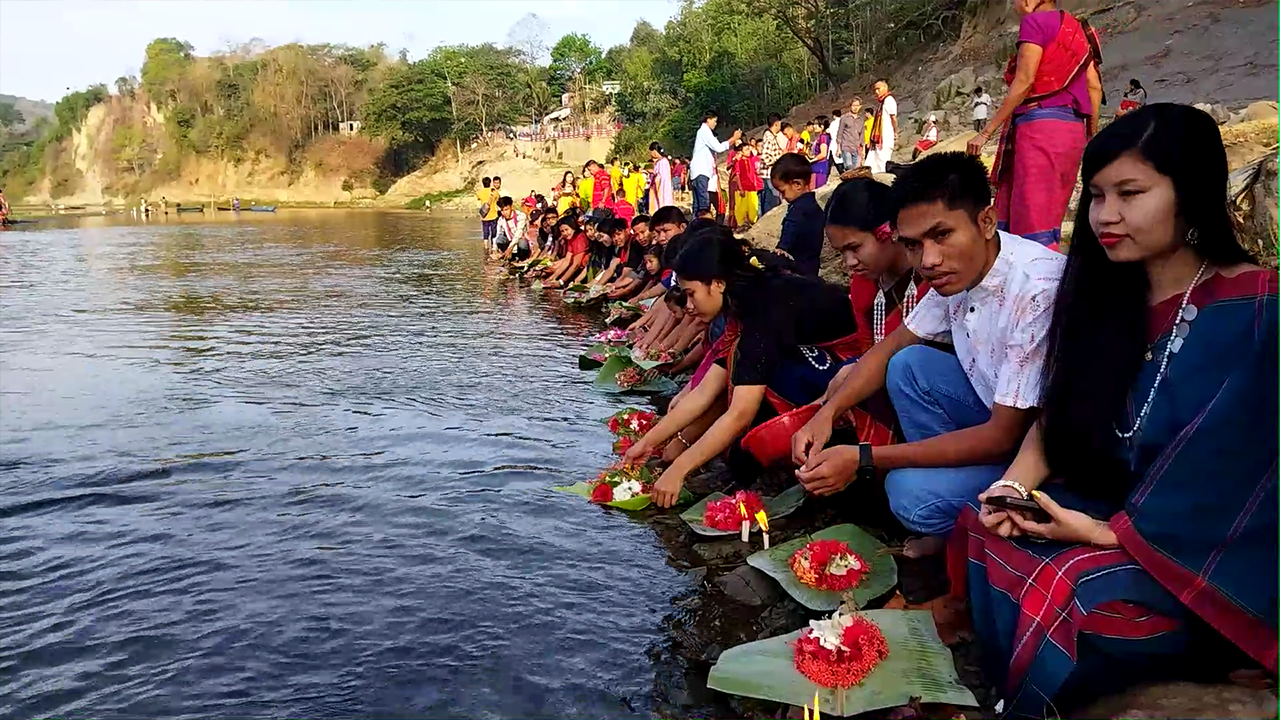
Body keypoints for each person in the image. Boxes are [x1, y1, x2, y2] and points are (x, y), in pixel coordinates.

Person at [954, 104, 1277, 718]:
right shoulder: (1107, 295)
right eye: (1096, 195)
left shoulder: (1255, 309)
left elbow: (1235, 488)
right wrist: (1014, 485)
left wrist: (1103, 535)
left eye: (1130, 193)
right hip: (1122, 513)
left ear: (1192, 193)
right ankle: (1015, 688)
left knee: (1065, 592)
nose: (1104, 216)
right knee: (985, 522)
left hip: (1212, 559)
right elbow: (1061, 413)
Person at [791, 152, 1065, 558]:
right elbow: (894, 344)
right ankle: (953, 496)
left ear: (986, 221)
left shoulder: (1037, 289)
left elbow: (1003, 435)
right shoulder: (956, 273)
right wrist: (825, 414)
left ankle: (964, 531)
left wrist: (865, 458)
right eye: (914, 245)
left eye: (942, 236)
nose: (930, 260)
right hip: (997, 415)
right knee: (908, 365)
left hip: (1043, 454)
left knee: (906, 494)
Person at [624, 225, 859, 507]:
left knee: (749, 441)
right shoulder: (745, 300)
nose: (687, 304)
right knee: (737, 380)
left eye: (691, 293)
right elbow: (704, 391)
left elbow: (739, 415)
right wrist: (647, 443)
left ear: (718, 283)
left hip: (846, 372)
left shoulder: (762, 311)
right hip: (815, 365)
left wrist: (678, 470)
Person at [968, 0, 1103, 250]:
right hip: (1072, 130)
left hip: (1039, 128)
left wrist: (985, 133)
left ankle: (1031, 285)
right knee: (1051, 218)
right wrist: (1091, 137)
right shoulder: (1080, 30)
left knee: (1030, 219)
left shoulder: (1035, 22)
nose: (1014, 5)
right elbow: (1094, 87)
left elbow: (1025, 80)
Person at [771, 153, 825, 277]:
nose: (782, 197)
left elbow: (791, 225)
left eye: (782, 191)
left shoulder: (799, 209)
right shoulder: (814, 206)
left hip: (798, 266)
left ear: (797, 184)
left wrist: (782, 247)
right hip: (812, 264)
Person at [690, 111, 742, 216]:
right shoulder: (704, 131)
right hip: (701, 172)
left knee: (698, 205)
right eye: (714, 121)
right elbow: (718, 148)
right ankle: (703, 227)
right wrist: (733, 139)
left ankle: (696, 228)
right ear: (708, 119)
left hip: (698, 172)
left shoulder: (702, 132)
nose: (715, 124)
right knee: (703, 204)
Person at [866, 80, 898, 174]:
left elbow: (893, 118)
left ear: (885, 88)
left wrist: (895, 131)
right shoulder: (882, 102)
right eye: (875, 89)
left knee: (882, 162)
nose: (876, 92)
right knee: (873, 161)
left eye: (878, 89)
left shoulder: (889, 100)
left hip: (885, 136)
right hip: (878, 138)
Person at [759, 114, 787, 216]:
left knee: (770, 200)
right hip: (769, 173)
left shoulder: (770, 136)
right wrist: (779, 159)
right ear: (776, 123)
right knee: (772, 201)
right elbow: (766, 157)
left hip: (769, 174)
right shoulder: (769, 137)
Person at [733, 140, 763, 227]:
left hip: (752, 188)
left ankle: (752, 224)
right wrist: (741, 188)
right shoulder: (738, 162)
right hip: (742, 188)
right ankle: (740, 225)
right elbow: (737, 176)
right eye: (746, 150)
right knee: (741, 209)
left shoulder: (752, 160)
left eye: (748, 149)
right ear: (741, 152)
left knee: (753, 208)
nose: (748, 151)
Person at [836, 97, 865, 172]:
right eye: (853, 105)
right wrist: (838, 148)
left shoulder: (861, 120)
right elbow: (840, 133)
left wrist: (863, 150)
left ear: (860, 106)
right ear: (850, 106)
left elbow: (862, 135)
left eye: (857, 105)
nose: (855, 108)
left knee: (857, 169)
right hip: (846, 146)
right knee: (849, 167)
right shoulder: (844, 118)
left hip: (857, 147)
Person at [808, 116, 832, 189]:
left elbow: (823, 154)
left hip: (819, 167)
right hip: (819, 167)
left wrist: (811, 160)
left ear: (821, 126)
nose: (814, 126)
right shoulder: (823, 136)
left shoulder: (823, 137)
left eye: (816, 124)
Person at [649, 143, 674, 210]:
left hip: (662, 187)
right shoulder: (659, 162)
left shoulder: (663, 162)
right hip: (658, 187)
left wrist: (653, 173)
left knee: (663, 202)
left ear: (654, 151)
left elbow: (662, 176)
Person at [477, 176, 499, 251]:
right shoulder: (494, 192)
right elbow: (498, 199)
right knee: (494, 231)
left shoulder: (480, 192)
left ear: (483, 183)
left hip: (484, 216)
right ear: (490, 183)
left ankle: (486, 246)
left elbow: (478, 198)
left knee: (485, 231)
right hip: (493, 215)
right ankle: (493, 245)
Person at [828, 109, 844, 173]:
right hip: (843, 142)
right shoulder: (843, 122)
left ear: (834, 115)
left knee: (834, 160)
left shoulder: (833, 123)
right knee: (841, 160)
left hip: (834, 143)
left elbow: (829, 131)